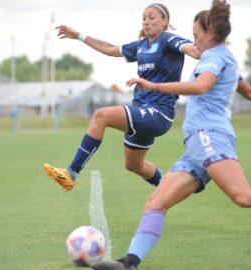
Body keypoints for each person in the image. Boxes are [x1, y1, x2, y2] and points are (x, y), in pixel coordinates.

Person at [91, 1, 251, 269]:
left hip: (210, 137)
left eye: (196, 33)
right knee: (156, 201)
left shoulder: (215, 58)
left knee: (243, 196)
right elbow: (247, 90)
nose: (194, 38)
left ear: (210, 33)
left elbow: (200, 86)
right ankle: (129, 263)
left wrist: (153, 85)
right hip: (197, 146)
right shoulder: (224, 58)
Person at [43, 3, 200, 191]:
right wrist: (78, 36)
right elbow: (110, 49)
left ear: (164, 21)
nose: (146, 22)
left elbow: (193, 50)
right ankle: (170, 188)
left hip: (159, 113)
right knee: (133, 165)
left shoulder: (168, 39)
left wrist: (203, 47)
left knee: (101, 115)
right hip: (142, 110)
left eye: (151, 17)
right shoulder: (141, 45)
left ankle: (71, 173)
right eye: (144, 18)